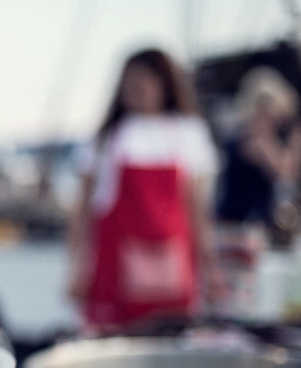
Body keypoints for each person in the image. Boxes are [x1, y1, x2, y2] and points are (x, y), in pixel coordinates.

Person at [67, 49, 219, 331]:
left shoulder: (189, 133)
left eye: (145, 79)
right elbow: (82, 210)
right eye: (130, 80)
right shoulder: (106, 138)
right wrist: (75, 269)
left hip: (174, 276)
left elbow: (197, 211)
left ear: (165, 83)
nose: (136, 87)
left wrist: (211, 270)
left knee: (171, 342)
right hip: (114, 275)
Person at [216, 66, 301, 226]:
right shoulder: (251, 137)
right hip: (239, 223)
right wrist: (297, 147)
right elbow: (285, 175)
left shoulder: (251, 134)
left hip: (247, 221)